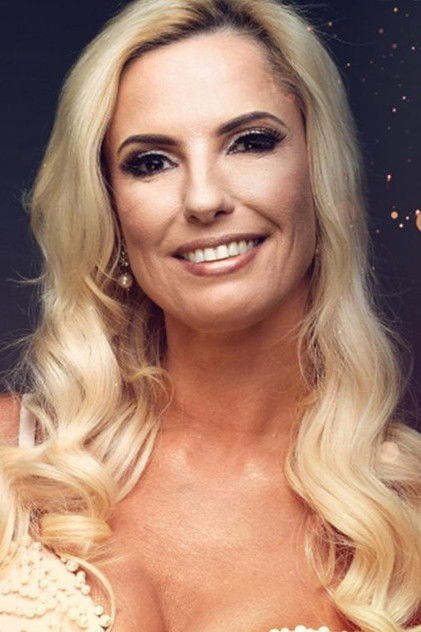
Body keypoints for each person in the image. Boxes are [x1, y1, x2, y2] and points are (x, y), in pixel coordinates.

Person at [0, 0, 419, 630]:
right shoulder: (14, 460)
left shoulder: (404, 525)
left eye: (251, 142)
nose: (203, 199)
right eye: (151, 162)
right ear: (110, 208)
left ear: (321, 177)